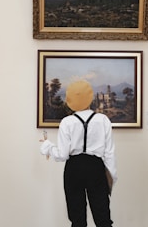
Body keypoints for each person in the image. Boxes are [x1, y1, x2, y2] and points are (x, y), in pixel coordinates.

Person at [39, 79, 117, 227]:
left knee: (77, 219)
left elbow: (62, 155)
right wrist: (111, 178)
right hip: (96, 168)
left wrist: (48, 146)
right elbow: (109, 154)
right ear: (90, 97)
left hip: (74, 168)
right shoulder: (103, 120)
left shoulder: (67, 122)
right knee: (103, 218)